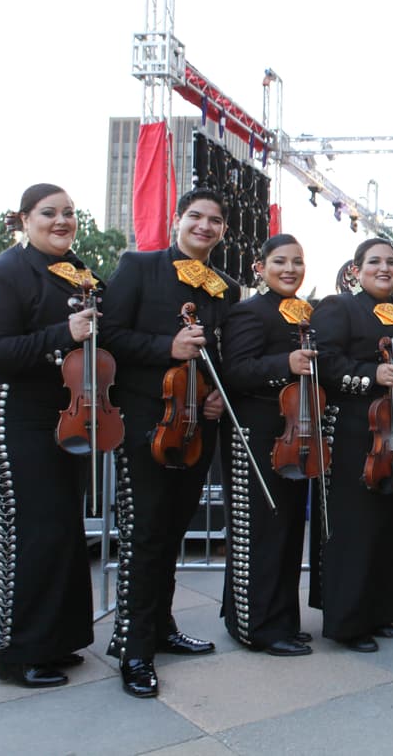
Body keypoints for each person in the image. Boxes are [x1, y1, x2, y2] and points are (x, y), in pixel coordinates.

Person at [100, 187, 240, 698]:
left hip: (197, 422)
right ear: (177, 218)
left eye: (215, 220)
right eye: (196, 217)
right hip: (145, 421)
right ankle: (132, 648)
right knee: (144, 534)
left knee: (173, 530)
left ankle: (159, 626)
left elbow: (219, 353)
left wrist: (216, 397)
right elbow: (109, 335)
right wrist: (168, 346)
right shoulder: (138, 267)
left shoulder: (225, 287)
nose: (205, 226)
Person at [0, 183, 97, 688]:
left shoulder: (77, 273)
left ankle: (53, 639)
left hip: (62, 413)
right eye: (49, 213)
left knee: (61, 528)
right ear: (23, 219)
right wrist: (67, 334)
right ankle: (15, 651)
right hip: (9, 415)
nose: (62, 220)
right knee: (26, 529)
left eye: (69, 213)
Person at [306, 238, 393, 652]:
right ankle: (348, 620)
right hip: (356, 429)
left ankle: (381, 610)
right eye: (374, 261)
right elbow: (321, 358)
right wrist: (371, 373)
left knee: (391, 527)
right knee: (354, 527)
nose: (385, 268)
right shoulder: (340, 307)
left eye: (391, 262)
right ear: (355, 269)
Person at [217, 234, 316, 657]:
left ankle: (281, 620)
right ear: (260, 267)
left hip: (294, 433)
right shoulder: (247, 312)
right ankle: (255, 627)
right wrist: (285, 365)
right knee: (259, 531)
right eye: (280, 261)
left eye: (297, 261)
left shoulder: (303, 314)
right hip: (254, 433)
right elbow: (236, 371)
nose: (290, 269)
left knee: (288, 531)